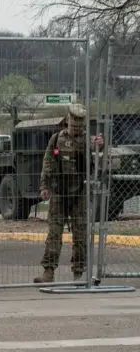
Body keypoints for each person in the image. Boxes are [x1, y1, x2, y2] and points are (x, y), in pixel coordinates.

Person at [34, 104, 104, 283]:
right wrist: (44, 186)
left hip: (80, 193)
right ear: (68, 121)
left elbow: (98, 162)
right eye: (74, 126)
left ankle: (78, 272)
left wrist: (100, 148)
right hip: (59, 192)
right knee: (54, 233)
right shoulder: (56, 139)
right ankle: (48, 271)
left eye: (81, 127)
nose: (77, 130)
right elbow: (48, 162)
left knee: (80, 234)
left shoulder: (89, 141)